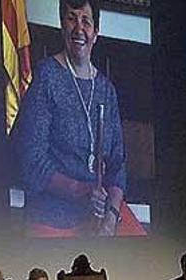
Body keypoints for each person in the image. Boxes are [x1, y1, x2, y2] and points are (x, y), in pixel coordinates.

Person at [11, 0, 146, 237]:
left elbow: (117, 165)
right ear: (62, 26)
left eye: (86, 21)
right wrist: (81, 190)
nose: (79, 29)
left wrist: (111, 218)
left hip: (100, 212)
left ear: (96, 33)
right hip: (53, 214)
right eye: (72, 18)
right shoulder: (47, 77)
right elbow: (31, 160)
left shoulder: (106, 89)